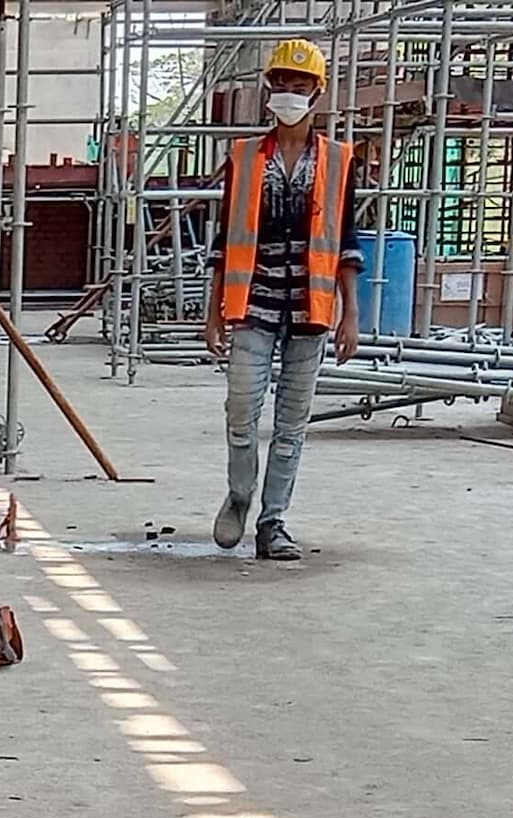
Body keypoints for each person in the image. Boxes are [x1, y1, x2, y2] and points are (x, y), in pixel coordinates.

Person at [203, 37, 360, 564]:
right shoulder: (245, 157)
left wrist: (349, 315)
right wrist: (213, 312)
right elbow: (223, 239)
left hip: (310, 311)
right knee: (241, 412)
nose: (289, 94)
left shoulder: (338, 161)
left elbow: (347, 243)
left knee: (292, 426)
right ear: (268, 90)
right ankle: (240, 495)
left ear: (317, 92)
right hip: (253, 301)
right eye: (282, 85)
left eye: (300, 86)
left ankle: (273, 522)